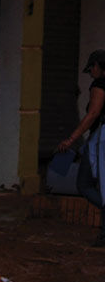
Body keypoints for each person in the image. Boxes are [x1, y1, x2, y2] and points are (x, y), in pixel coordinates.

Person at [56, 49, 105, 246]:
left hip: (102, 139)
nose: (91, 72)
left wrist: (71, 139)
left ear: (99, 67)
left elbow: (92, 114)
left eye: (92, 67)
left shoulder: (99, 85)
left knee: (84, 183)